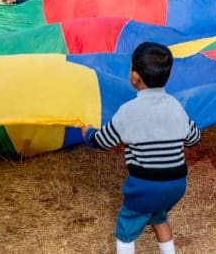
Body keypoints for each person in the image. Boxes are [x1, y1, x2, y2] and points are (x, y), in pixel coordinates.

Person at [82, 42, 200, 254]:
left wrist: (88, 133)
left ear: (134, 76)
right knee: (159, 217)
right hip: (176, 185)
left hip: (145, 186)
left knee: (125, 228)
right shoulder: (175, 106)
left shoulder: (128, 111)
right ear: (168, 76)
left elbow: (103, 141)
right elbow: (193, 138)